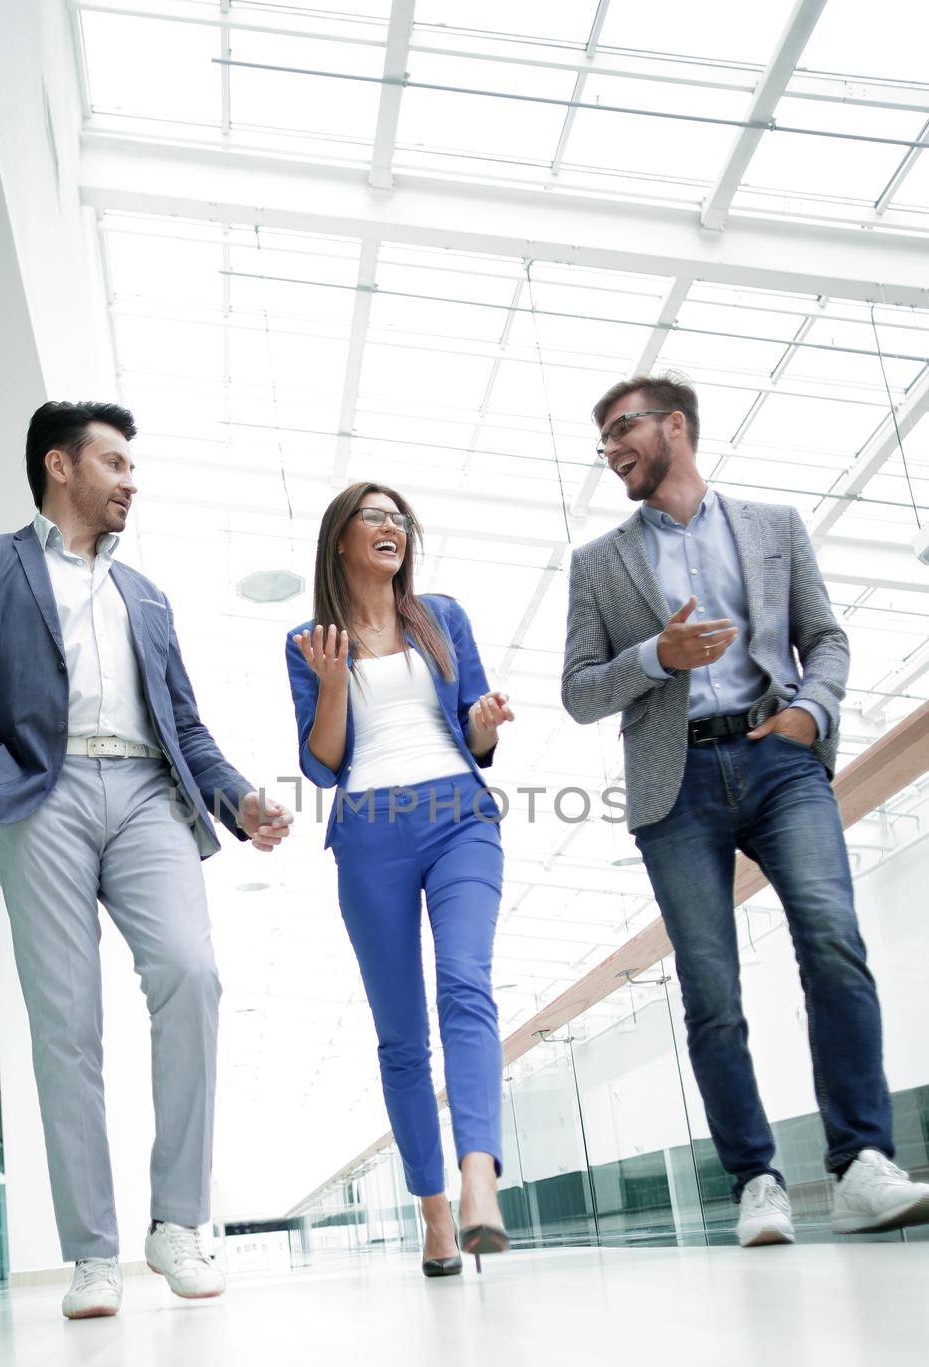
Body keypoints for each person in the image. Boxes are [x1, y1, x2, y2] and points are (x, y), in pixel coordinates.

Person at [0, 401, 292, 1318]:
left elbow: (183, 722)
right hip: (41, 792)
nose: (130, 481)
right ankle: (92, 1254)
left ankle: (179, 1222)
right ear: (59, 467)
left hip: (149, 792)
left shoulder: (144, 594)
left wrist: (239, 803)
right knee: (66, 1023)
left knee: (191, 975)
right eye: (114, 463)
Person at [562, 371, 929, 1247]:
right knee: (710, 989)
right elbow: (578, 694)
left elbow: (825, 636)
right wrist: (657, 653)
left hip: (779, 759)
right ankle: (755, 1181)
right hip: (675, 781)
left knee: (832, 941)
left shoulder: (772, 527)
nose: (611, 450)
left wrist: (812, 710)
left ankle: (859, 1166)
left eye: (621, 430)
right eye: (602, 438)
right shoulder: (598, 564)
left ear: (673, 427)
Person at [286, 483, 513, 1274]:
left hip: (460, 817)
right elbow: (320, 766)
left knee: (465, 984)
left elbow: (477, 734)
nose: (392, 528)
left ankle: (478, 1176)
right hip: (369, 832)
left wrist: (482, 726)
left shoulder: (441, 617)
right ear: (340, 538)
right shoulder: (310, 641)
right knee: (401, 1040)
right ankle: (435, 1215)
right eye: (373, 517)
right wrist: (335, 683)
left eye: (399, 518)